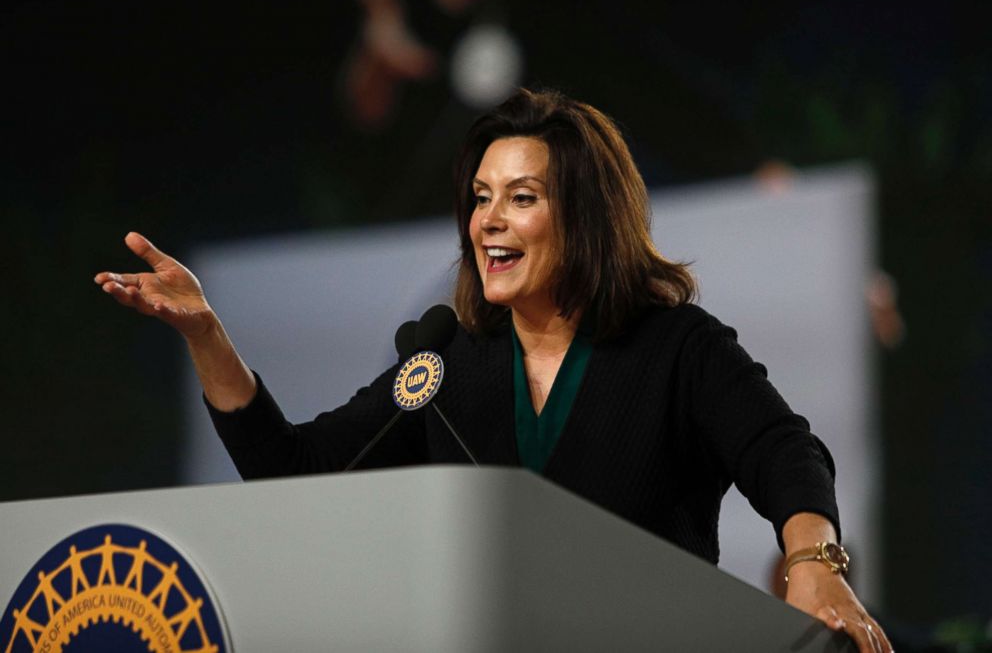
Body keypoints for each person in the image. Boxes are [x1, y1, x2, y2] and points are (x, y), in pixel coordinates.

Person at [95, 88, 891, 652]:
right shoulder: (448, 363)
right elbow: (293, 469)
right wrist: (205, 335)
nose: (489, 221)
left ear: (582, 216)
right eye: (481, 197)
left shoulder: (676, 346)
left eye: (521, 197)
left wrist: (814, 565)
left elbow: (784, 451)